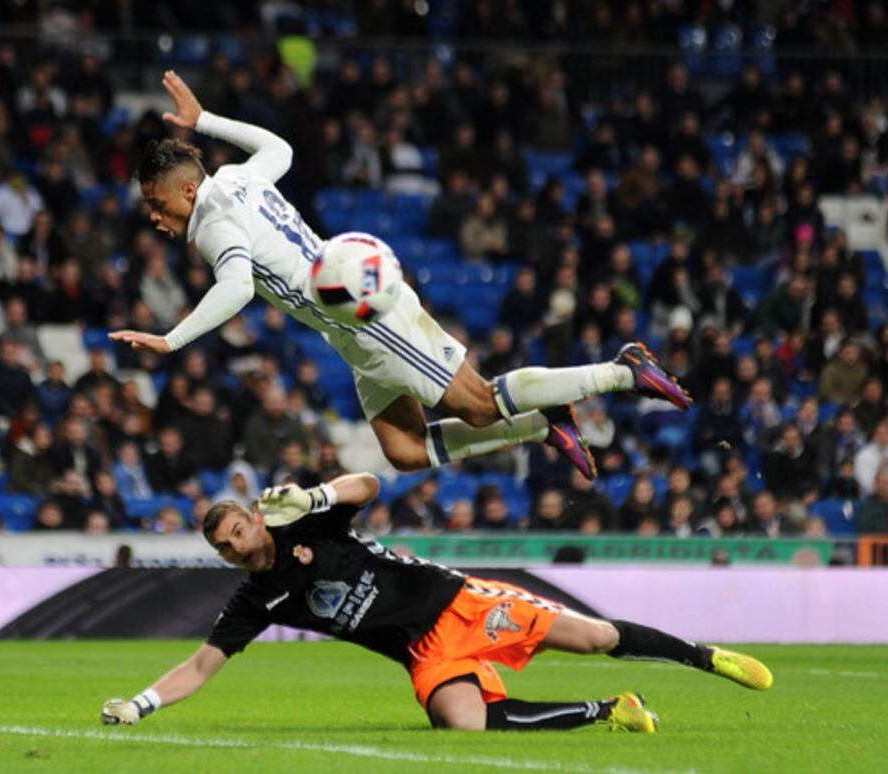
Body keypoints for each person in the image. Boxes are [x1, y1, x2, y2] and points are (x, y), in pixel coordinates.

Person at [109, 71, 691, 482]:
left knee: (483, 406)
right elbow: (279, 148)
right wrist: (206, 120)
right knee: (406, 451)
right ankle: (542, 428)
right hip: (347, 319)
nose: (156, 218)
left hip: (363, 317)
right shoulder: (237, 179)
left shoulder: (212, 223)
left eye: (157, 204)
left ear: (186, 189)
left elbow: (235, 287)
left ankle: (622, 371)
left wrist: (171, 338)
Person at [101, 473, 772, 732]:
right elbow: (199, 666)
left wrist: (315, 498)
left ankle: (706, 657)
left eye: (239, 531)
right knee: (468, 727)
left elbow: (368, 482)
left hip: (457, 603)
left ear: (253, 517)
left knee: (595, 638)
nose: (238, 546)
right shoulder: (258, 597)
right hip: (423, 650)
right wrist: (140, 704)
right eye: (225, 546)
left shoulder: (305, 522)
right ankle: (611, 713)